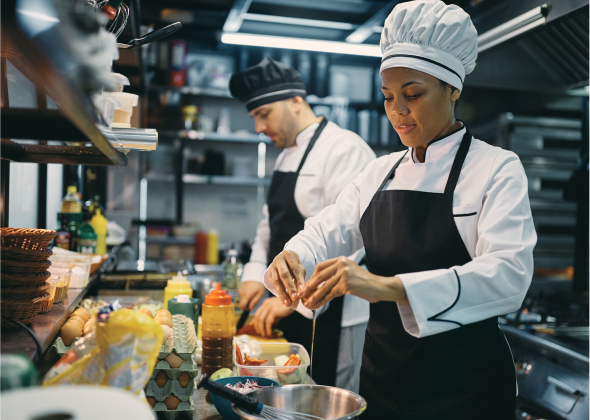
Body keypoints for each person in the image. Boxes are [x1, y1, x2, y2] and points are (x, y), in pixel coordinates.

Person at [263, 1, 537, 419]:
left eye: (412, 94)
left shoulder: (496, 168)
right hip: (385, 381)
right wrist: (293, 256)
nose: (397, 111)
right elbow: (325, 230)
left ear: (453, 89)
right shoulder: (380, 172)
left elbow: (508, 276)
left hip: (466, 387)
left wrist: (387, 287)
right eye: (388, 97)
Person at [229, 57, 376, 391]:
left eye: (263, 114)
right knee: (289, 395)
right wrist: (254, 276)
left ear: (296, 101)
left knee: (325, 397)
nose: (258, 128)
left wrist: (290, 301)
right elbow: (270, 226)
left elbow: (353, 244)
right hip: (287, 307)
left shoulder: (345, 149)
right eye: (254, 117)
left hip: (335, 313)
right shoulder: (284, 156)